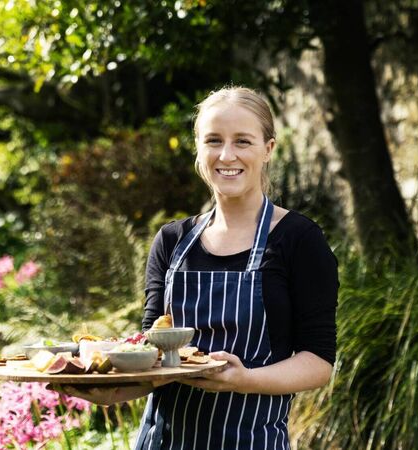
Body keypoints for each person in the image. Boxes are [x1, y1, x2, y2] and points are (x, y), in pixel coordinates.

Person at [56, 86, 339, 450]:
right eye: (213, 140)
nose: (226, 155)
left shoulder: (299, 240)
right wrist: (111, 390)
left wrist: (243, 380)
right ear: (198, 149)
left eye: (242, 141)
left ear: (268, 149)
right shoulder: (171, 241)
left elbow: (318, 362)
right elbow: (153, 356)